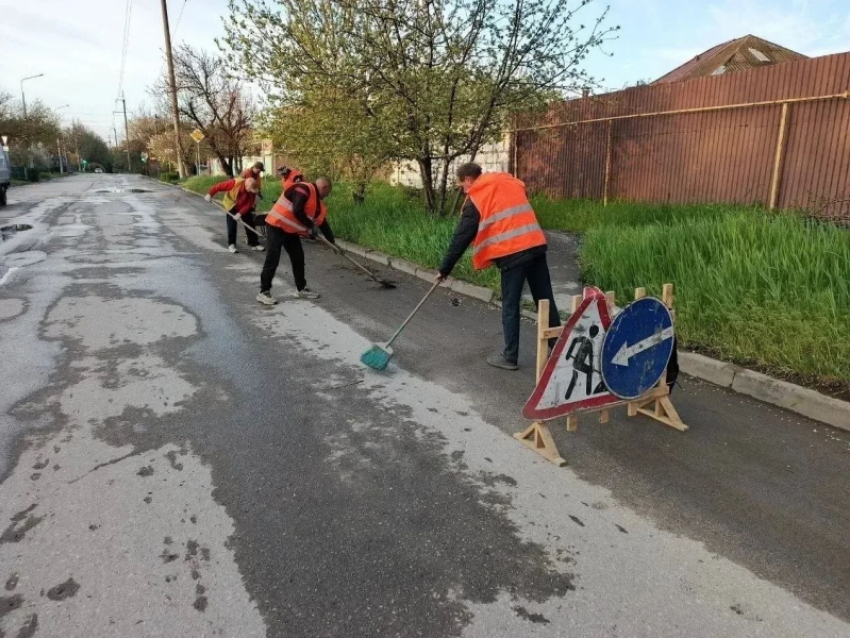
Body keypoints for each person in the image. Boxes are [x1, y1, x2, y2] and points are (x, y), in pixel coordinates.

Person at [436, 163, 560, 370]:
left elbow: (461, 237)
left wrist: (444, 269)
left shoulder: (478, 195)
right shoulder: (507, 182)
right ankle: (560, 351)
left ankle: (509, 356)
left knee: (510, 304)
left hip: (512, 251)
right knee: (545, 300)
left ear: (468, 179)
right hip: (535, 244)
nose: (464, 191)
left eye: (462, 186)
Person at [257, 177, 336, 305]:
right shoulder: (304, 189)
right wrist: (310, 226)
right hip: (276, 226)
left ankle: (301, 289)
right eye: (327, 193)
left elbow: (323, 224)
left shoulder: (317, 203)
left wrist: (332, 242)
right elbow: (297, 210)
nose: (326, 196)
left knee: (298, 257)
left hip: (289, 231)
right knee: (273, 257)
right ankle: (263, 292)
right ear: (324, 188)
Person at [205, 170, 264, 253]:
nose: (252, 192)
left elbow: (248, 204)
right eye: (251, 189)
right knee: (232, 225)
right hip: (231, 204)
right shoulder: (234, 183)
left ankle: (254, 244)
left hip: (243, 206)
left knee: (249, 222)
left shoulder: (253, 191)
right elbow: (218, 187)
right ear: (247, 186)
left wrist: (240, 213)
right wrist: (210, 194)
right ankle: (231, 245)